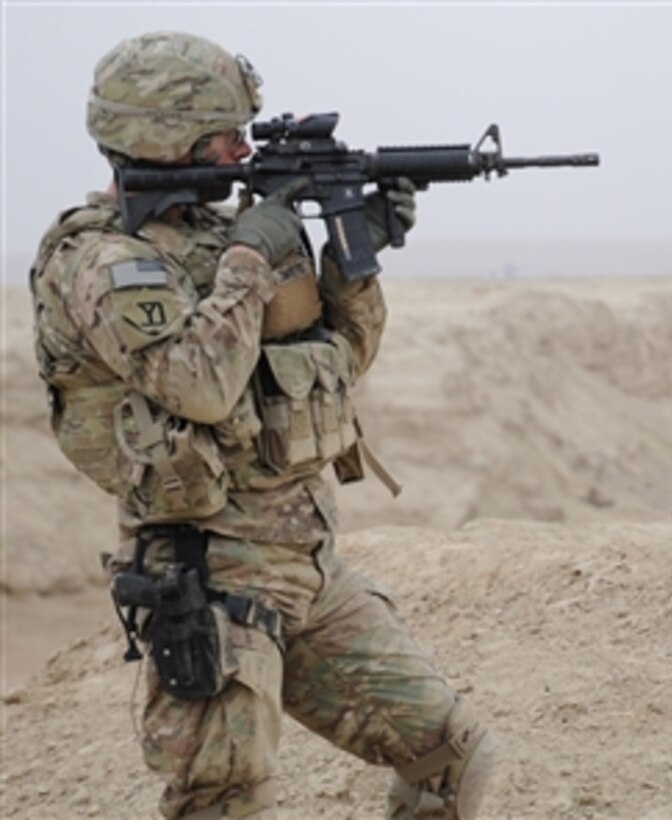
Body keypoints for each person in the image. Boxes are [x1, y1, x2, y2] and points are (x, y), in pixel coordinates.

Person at [30, 30, 495, 820]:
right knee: (225, 800)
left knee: (448, 752)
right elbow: (198, 384)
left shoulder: (223, 237)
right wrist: (252, 255)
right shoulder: (104, 259)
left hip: (305, 568)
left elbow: (337, 365)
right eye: (225, 133)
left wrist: (354, 259)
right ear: (162, 138)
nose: (243, 146)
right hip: (209, 577)